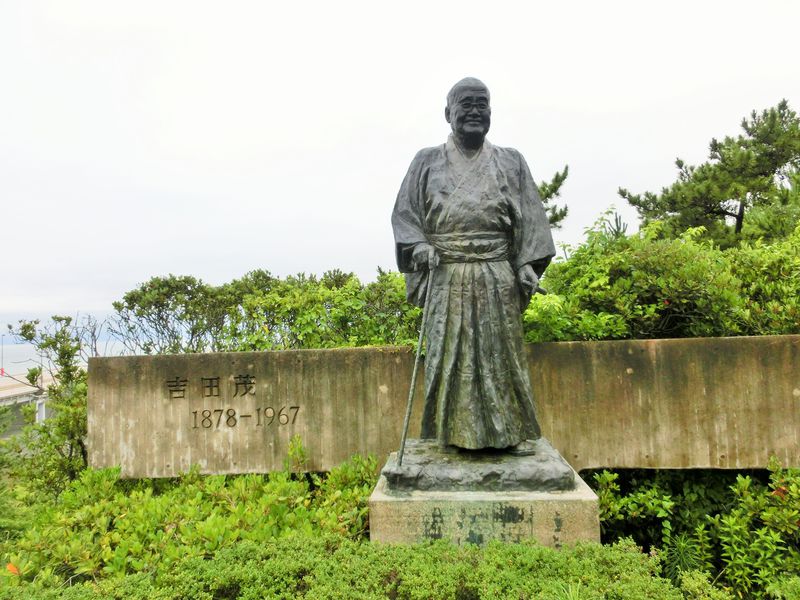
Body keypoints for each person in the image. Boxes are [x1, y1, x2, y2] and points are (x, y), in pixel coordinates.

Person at [391, 77, 556, 452]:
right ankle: (450, 436)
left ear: (491, 113)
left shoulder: (511, 161)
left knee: (502, 358)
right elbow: (405, 215)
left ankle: (506, 435)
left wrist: (526, 265)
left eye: (482, 104)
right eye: (466, 104)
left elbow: (531, 222)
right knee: (447, 359)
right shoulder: (426, 161)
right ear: (448, 112)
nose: (474, 111)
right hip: (445, 274)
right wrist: (418, 247)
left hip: (496, 274)